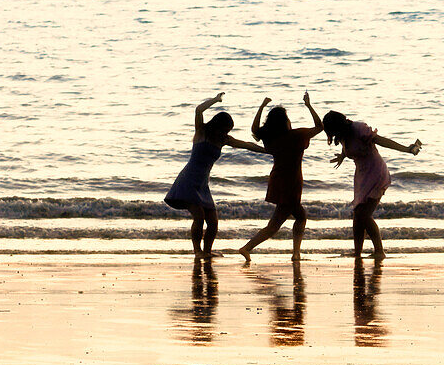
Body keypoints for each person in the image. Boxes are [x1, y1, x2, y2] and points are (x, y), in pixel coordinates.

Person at [164, 93, 267, 258]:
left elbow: (246, 145)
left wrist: (267, 151)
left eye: (228, 131)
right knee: (199, 217)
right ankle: (197, 252)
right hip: (188, 180)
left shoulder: (224, 139)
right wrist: (215, 100)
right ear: (217, 125)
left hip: (203, 184)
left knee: (213, 221)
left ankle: (207, 251)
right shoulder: (202, 132)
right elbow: (198, 110)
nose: (225, 133)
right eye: (224, 129)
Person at [322, 110, 422, 260]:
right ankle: (357, 253)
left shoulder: (359, 128)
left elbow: (382, 141)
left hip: (376, 172)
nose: (331, 134)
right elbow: (351, 147)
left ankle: (379, 251)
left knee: (364, 214)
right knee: (358, 215)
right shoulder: (342, 135)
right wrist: (342, 156)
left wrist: (406, 149)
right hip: (362, 175)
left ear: (338, 126)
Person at [238, 92, 324, 263]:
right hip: (291, 182)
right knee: (276, 224)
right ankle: (247, 248)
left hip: (278, 180)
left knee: (299, 216)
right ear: (285, 122)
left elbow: (254, 129)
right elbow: (320, 126)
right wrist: (308, 105)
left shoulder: (271, 139)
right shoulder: (296, 136)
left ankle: (296, 253)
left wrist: (262, 106)